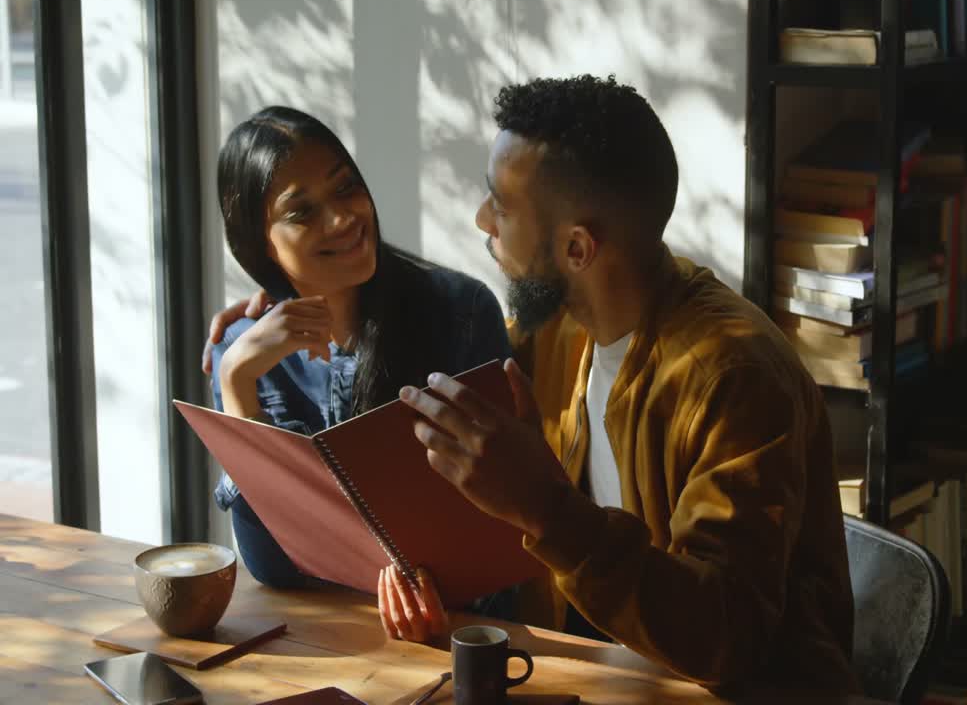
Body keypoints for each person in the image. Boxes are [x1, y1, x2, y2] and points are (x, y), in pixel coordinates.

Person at [206, 78, 856, 694]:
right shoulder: (563, 331)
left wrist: (546, 507)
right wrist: (285, 295)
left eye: (503, 207)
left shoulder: (732, 375)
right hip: (595, 675)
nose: (482, 220)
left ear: (577, 250)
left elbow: (726, 641)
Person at [204, 106, 512, 640]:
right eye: (302, 213)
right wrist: (235, 385)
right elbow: (273, 564)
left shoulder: (460, 312)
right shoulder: (243, 354)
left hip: (467, 639)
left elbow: (498, 528)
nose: (343, 219)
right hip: (319, 645)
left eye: (346, 189)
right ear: (261, 244)